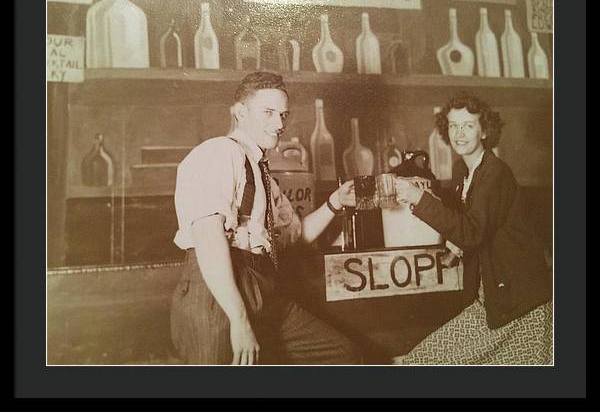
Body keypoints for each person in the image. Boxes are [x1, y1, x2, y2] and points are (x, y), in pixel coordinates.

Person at [170, 71, 362, 365]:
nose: (279, 124)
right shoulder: (218, 153)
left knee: (342, 355)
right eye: (268, 113)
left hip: (260, 287)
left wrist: (335, 203)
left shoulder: (263, 175)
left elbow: (293, 237)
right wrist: (239, 318)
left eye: (283, 114)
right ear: (241, 113)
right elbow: (208, 236)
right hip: (216, 292)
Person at [392, 93, 552, 365]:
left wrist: (419, 198)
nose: (459, 133)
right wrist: (455, 245)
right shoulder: (464, 171)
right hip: (494, 299)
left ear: (485, 130)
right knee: (422, 360)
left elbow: (472, 231)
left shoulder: (495, 172)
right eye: (453, 126)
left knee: (420, 362)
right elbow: (476, 228)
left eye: (468, 125)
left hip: (523, 306)